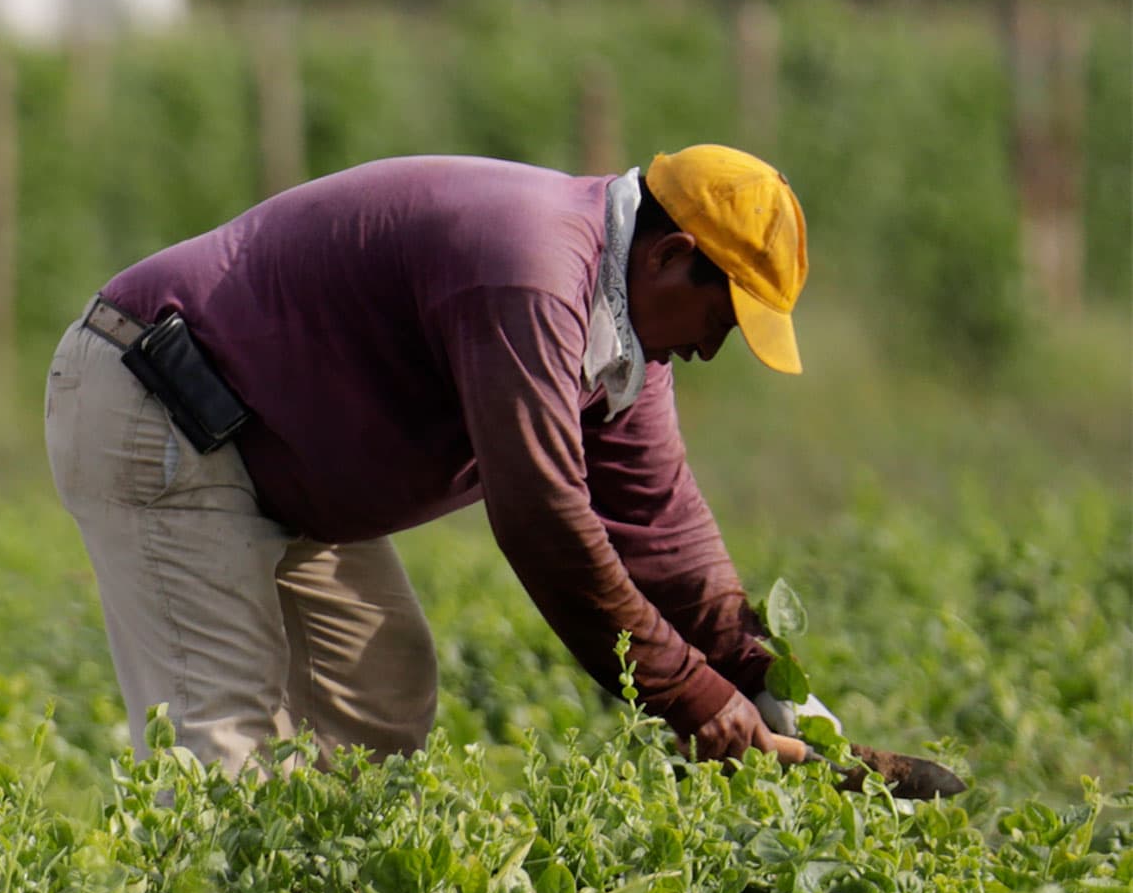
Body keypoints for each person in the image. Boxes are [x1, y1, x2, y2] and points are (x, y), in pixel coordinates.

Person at [46, 144, 846, 773]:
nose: (714, 346)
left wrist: (762, 677)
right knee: (219, 739)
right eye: (723, 316)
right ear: (671, 253)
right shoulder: (532, 274)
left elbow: (661, 525)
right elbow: (543, 518)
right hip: (165, 409)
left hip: (266, 451)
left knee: (379, 696)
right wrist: (689, 693)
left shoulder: (626, 340)